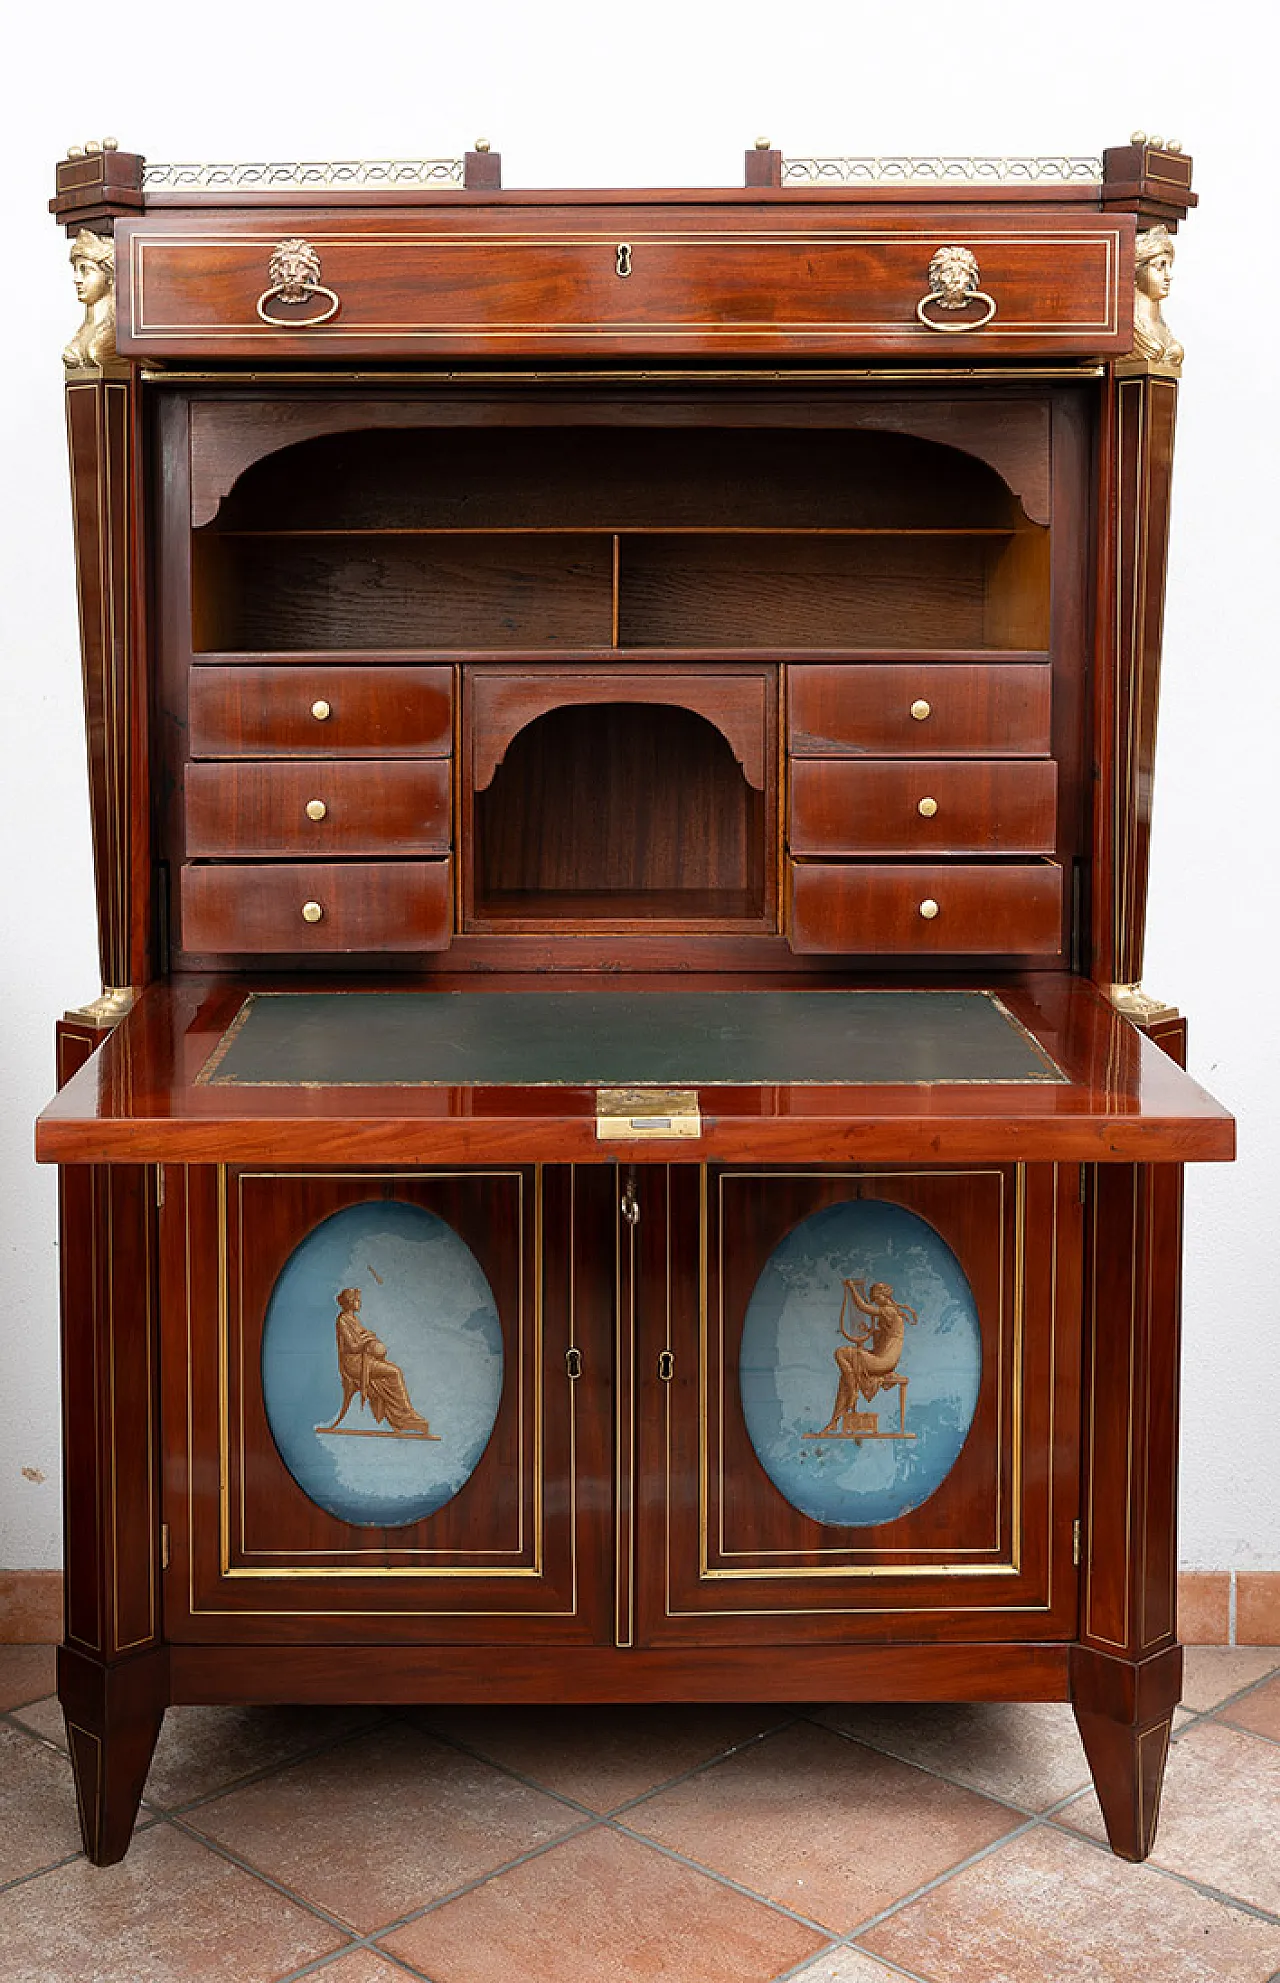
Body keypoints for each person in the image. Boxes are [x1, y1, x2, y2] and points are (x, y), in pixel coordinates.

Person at [320, 1286, 438, 1438]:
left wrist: (369, 1339)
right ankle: (403, 1417)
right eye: (357, 1300)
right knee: (395, 1372)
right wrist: (368, 1341)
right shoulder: (343, 1320)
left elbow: (362, 1338)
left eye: (359, 1300)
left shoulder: (354, 1319)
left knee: (392, 1371)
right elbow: (352, 1346)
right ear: (350, 1302)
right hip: (354, 1364)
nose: (359, 1303)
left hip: (364, 1359)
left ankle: (403, 1414)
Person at [1133, 226, 1184, 368]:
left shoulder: (1162, 329)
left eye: (1169, 266)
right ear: (1135, 272)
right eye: (1160, 267)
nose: (1169, 276)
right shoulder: (1131, 333)